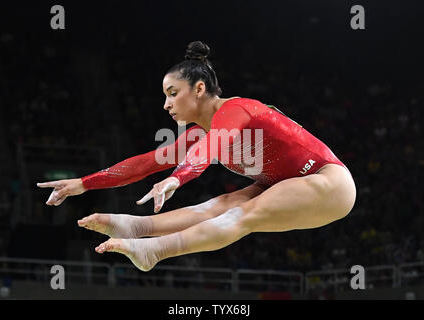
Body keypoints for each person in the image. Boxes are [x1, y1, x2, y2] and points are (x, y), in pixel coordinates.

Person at [37, 41, 356, 272]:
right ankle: (137, 228)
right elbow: (147, 162)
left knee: (241, 213)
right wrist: (83, 183)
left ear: (200, 89)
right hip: (283, 184)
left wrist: (177, 177)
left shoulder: (235, 110)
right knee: (217, 205)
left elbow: (210, 149)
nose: (166, 104)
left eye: (173, 94)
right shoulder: (197, 133)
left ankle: (155, 251)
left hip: (328, 182)